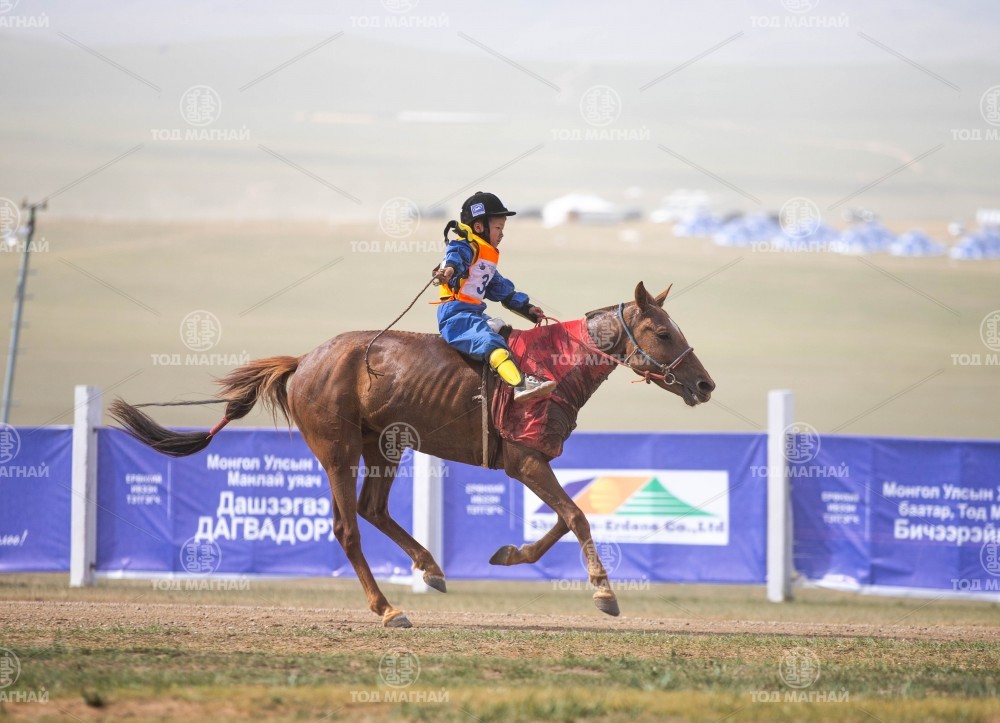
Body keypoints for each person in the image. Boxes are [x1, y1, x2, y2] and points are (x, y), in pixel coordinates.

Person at [432, 191, 556, 402]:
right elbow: (455, 257)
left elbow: (501, 290)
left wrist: (527, 309)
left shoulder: (486, 257)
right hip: (456, 317)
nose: (502, 234)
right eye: (498, 228)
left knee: (504, 333)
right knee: (491, 342)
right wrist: (450, 269)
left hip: (475, 314)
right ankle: (520, 386)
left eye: (502, 229)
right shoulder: (465, 246)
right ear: (479, 227)